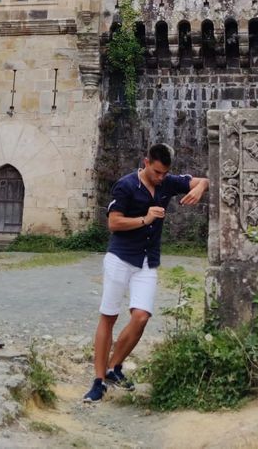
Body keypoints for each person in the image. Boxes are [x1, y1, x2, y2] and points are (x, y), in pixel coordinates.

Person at [83, 143, 208, 404]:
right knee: (108, 317)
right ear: (146, 162)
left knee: (141, 317)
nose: (161, 178)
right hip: (120, 257)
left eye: (165, 173)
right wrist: (145, 219)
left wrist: (199, 188)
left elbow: (203, 179)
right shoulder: (126, 185)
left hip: (147, 261)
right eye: (157, 172)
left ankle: (113, 368)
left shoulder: (168, 182)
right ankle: (97, 382)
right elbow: (113, 223)